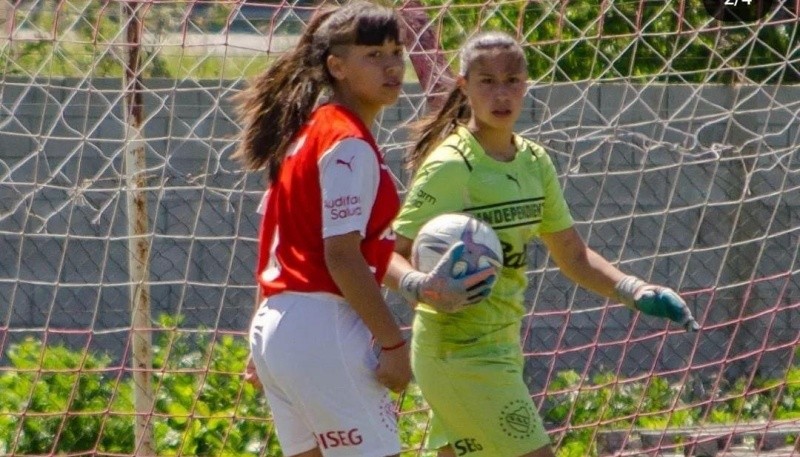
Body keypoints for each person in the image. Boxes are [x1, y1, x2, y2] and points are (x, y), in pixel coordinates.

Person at [389, 31, 700, 457]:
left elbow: (572, 254)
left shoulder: (535, 162)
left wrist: (635, 290)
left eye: (513, 80)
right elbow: (389, 254)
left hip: (502, 346)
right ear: (464, 86)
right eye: (487, 81)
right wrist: (421, 287)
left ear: (527, 83)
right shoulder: (451, 166)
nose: (502, 94)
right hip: (456, 352)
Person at [232, 2, 493, 456]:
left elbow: (271, 244)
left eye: (396, 51)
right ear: (337, 66)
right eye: (373, 54)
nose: (392, 64)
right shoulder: (346, 143)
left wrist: (261, 341)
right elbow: (342, 256)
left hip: (276, 331)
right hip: (323, 329)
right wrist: (393, 344)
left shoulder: (304, 134)